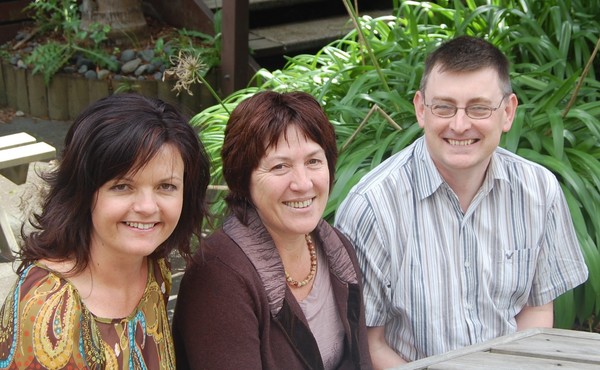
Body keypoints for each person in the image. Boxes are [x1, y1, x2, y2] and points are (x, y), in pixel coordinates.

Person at [334, 36, 589, 368]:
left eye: (479, 108)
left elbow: (537, 309)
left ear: (508, 112)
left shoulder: (538, 190)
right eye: (444, 106)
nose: (459, 124)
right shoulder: (373, 207)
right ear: (421, 109)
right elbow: (369, 343)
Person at [0, 93, 210, 369]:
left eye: (166, 186)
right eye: (122, 186)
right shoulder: (48, 310)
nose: (147, 207)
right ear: (84, 192)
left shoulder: (154, 265)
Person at [172, 90, 373, 369]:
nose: (303, 183)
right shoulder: (220, 275)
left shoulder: (338, 249)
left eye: (314, 161)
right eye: (280, 166)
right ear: (243, 179)